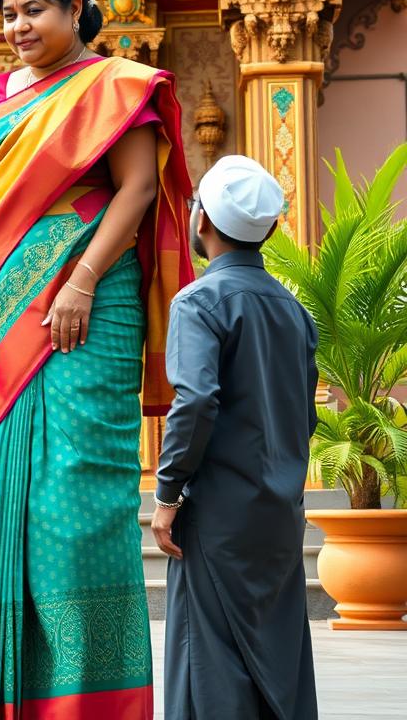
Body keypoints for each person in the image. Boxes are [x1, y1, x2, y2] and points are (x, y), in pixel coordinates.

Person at [0, 0, 193, 719]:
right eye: (9, 14)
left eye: (34, 10)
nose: (19, 27)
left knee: (76, 509)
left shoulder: (115, 86)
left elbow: (138, 188)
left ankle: (88, 699)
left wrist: (78, 279)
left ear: (77, 9)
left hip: (87, 311)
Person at [152, 155, 319, 720]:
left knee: (211, 663)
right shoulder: (295, 312)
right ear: (270, 229)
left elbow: (195, 400)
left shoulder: (198, 302)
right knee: (279, 657)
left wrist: (168, 494)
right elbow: (304, 414)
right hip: (278, 510)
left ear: (201, 220)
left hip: (218, 514)